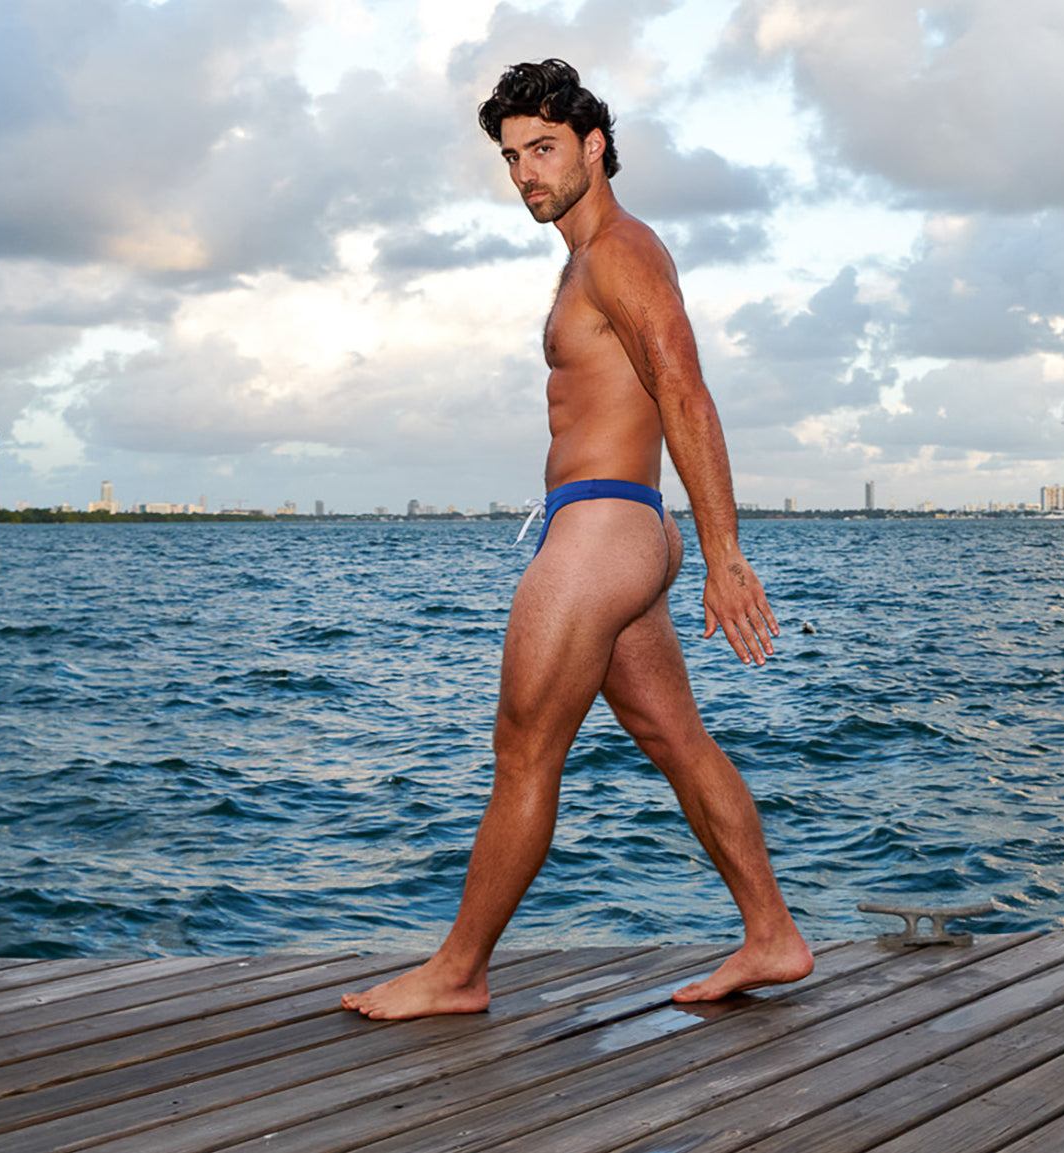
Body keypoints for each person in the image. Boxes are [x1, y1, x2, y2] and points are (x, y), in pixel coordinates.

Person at [342, 59, 813, 1020]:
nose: (526, 172)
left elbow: (684, 390)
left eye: (544, 148)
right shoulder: (588, 259)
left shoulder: (618, 253)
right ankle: (772, 933)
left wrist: (725, 554)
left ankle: (458, 971)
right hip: (617, 526)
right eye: (512, 156)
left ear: (595, 147)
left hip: (604, 531)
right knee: (676, 738)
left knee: (524, 751)